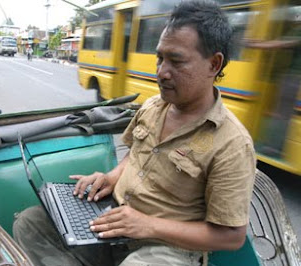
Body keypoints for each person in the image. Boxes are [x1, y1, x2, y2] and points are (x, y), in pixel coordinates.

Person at [13, 1, 256, 265]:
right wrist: (111, 178)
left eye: (176, 61)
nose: (162, 72)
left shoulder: (232, 142)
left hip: (166, 247)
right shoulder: (153, 107)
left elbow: (231, 237)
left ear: (214, 64)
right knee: (29, 224)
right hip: (116, 219)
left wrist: (147, 225)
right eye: (160, 58)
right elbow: (135, 156)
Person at [243, 12, 301, 157]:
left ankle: (272, 148)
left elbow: (281, 44)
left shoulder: (299, 30)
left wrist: (255, 45)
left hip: (294, 78)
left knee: (281, 114)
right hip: (294, 78)